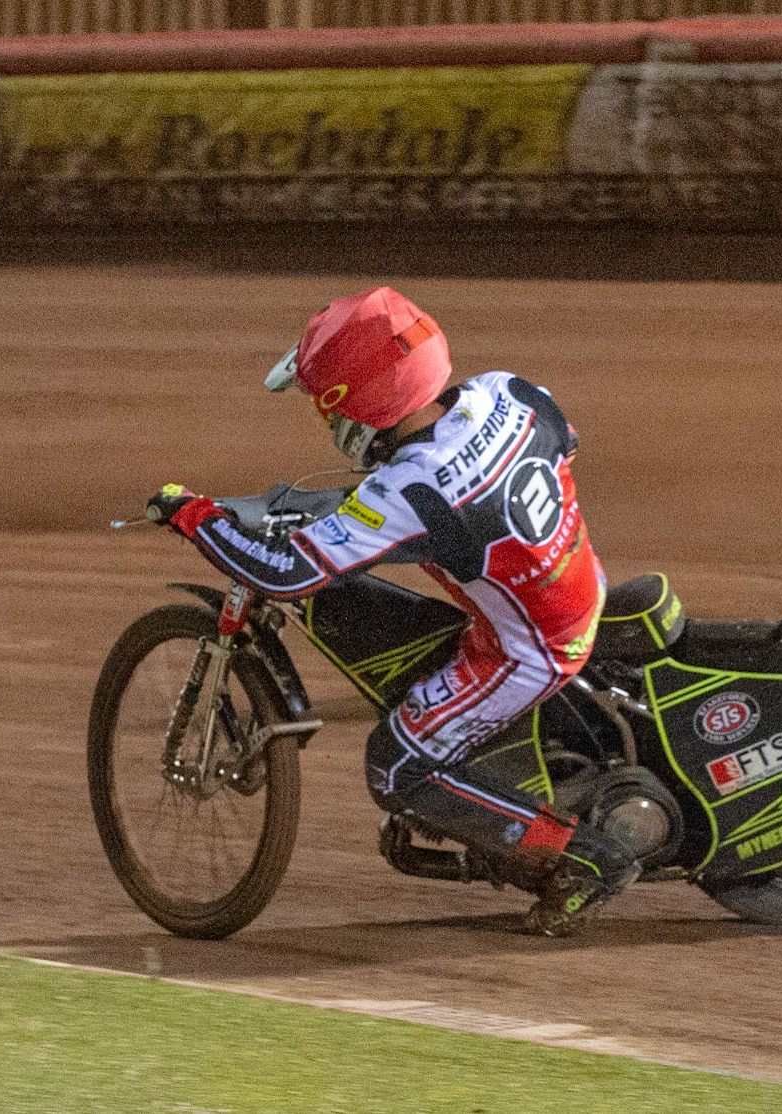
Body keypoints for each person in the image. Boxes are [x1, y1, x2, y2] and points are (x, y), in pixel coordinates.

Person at [147, 286, 634, 937]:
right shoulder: (507, 390)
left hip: (527, 649)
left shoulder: (410, 489)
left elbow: (283, 572)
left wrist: (194, 514)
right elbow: (562, 442)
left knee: (397, 766)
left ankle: (581, 860)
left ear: (358, 407)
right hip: (576, 581)